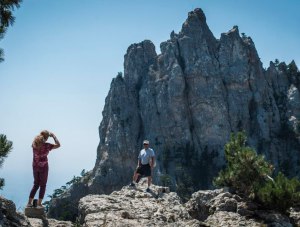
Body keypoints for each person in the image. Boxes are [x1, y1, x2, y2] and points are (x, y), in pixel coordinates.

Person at [27, 130, 60, 208]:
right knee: (43, 185)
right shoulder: (47, 145)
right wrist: (54, 136)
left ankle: (29, 203)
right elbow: (58, 145)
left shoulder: (34, 144)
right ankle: (39, 203)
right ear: (47, 137)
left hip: (35, 166)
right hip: (44, 167)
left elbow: (37, 142)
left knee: (36, 185)